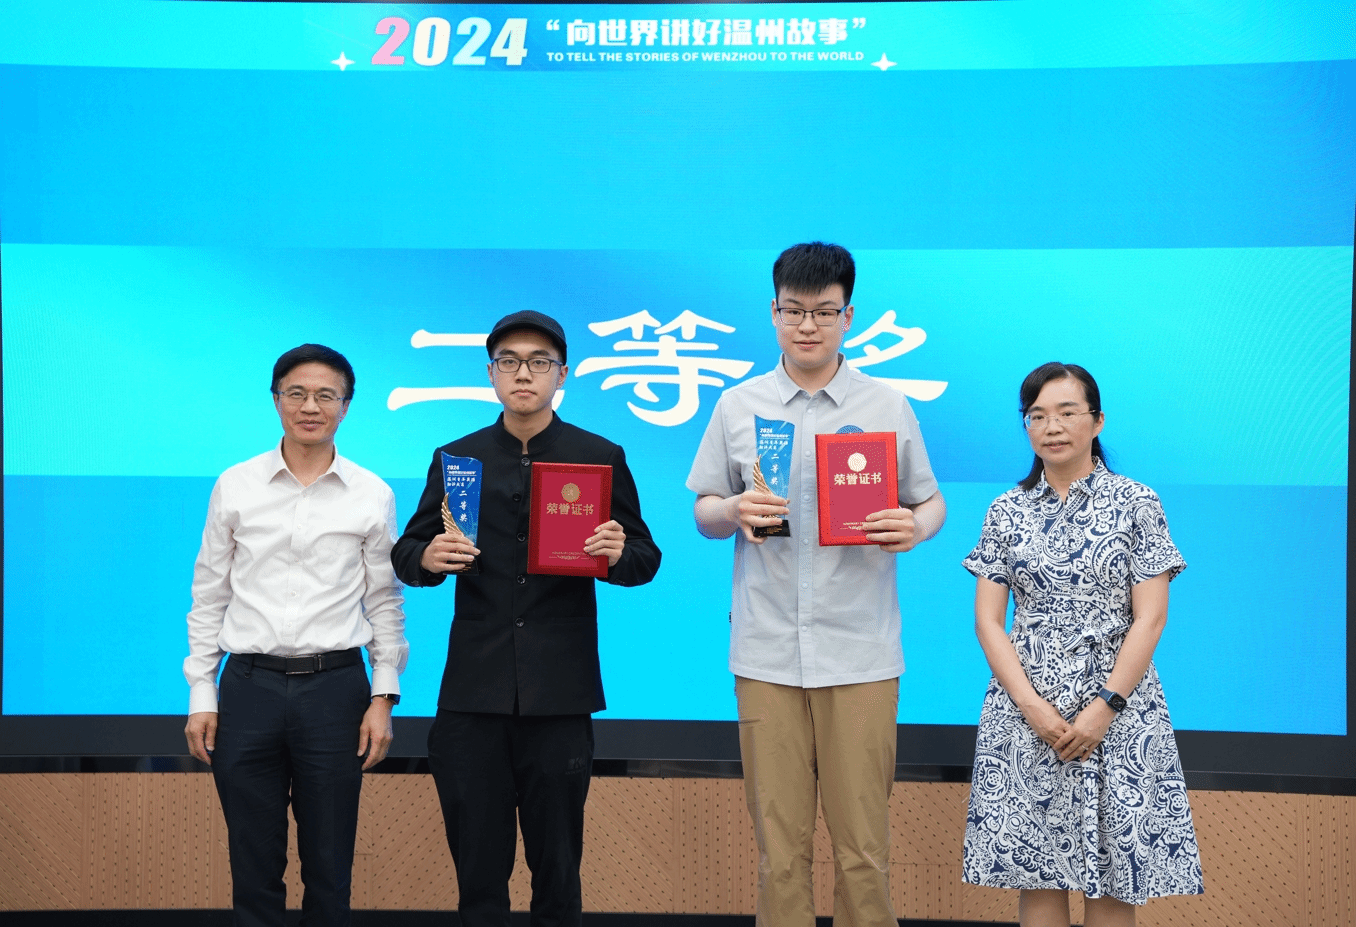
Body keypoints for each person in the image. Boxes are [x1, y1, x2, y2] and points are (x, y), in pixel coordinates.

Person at [685, 242, 947, 927]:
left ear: (848, 316)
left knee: (863, 849)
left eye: (824, 312)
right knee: (779, 850)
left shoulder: (887, 405)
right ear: (773, 312)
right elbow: (704, 511)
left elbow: (930, 501)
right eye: (794, 310)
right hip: (766, 652)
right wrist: (733, 510)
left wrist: (913, 527)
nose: (808, 325)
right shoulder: (737, 405)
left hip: (860, 654)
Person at [390, 310, 661, 927]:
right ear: (490, 373)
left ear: (562, 374)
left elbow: (645, 558)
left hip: (559, 695)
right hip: (473, 694)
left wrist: (616, 554)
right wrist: (428, 557)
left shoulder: (599, 455)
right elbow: (407, 553)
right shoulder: (458, 457)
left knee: (558, 870)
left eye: (540, 362)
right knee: (478, 874)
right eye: (508, 361)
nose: (523, 374)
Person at [960, 362, 1204, 927]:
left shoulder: (1137, 502)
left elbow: (1150, 618)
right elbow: (989, 623)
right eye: (1037, 415)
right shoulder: (1006, 509)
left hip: (1120, 710)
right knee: (1039, 877)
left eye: (1067, 412)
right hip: (1027, 709)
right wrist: (1034, 709)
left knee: (1114, 881)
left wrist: (1105, 706)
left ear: (1097, 421)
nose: (1052, 426)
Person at [183, 344, 409, 927]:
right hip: (249, 687)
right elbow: (209, 594)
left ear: (346, 406)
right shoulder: (236, 485)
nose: (311, 407)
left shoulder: (371, 493)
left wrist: (383, 696)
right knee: (253, 862)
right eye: (297, 394)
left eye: (326, 395)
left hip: (335, 689)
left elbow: (385, 601)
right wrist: (202, 692)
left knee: (329, 865)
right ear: (277, 400)